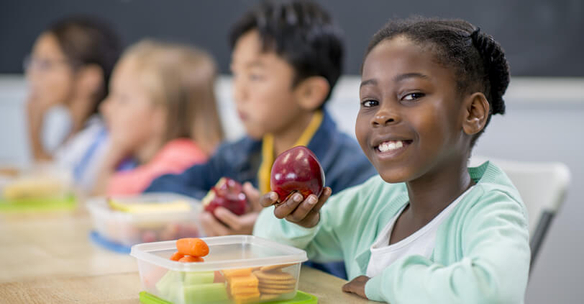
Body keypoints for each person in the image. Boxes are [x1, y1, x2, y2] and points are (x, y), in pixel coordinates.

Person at [255, 17, 530, 303]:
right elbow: (266, 246)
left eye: (411, 95)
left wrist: (385, 284)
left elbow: (492, 291)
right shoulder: (373, 201)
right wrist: (296, 221)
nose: (381, 114)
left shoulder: (492, 211)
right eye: (370, 102)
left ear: (472, 112)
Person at [145, 0, 376, 279]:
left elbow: (347, 270)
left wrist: (265, 236)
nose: (237, 92)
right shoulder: (239, 152)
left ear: (309, 92)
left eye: (255, 76)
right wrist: (223, 206)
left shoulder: (352, 170)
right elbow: (161, 187)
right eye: (236, 73)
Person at [93, 40, 224, 196]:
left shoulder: (183, 156)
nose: (105, 107)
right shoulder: (139, 158)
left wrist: (113, 152)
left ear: (161, 116)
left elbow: (107, 193)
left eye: (122, 99)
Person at [25, 16, 121, 192]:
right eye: (33, 63)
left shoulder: (101, 140)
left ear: (89, 78)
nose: (33, 75)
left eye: (46, 65)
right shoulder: (73, 131)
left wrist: (35, 136)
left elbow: (58, 193)